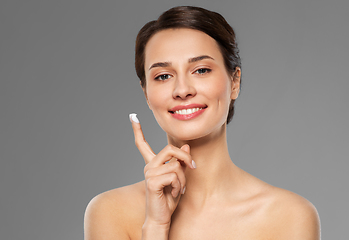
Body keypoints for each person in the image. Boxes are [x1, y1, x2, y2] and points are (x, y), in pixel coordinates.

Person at [84, 6, 320, 240]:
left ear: (234, 82)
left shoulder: (289, 217)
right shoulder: (109, 212)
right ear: (146, 93)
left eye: (201, 70)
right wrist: (156, 226)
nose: (182, 90)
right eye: (163, 76)